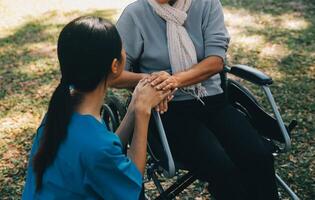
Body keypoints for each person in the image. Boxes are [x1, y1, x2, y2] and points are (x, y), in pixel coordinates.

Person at [113, 0, 280, 199]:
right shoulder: (135, 14)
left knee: (257, 155)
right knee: (220, 165)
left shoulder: (207, 4)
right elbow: (116, 75)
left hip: (212, 101)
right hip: (167, 110)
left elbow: (215, 61)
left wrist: (173, 80)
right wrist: (155, 83)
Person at [22, 16, 173, 200]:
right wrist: (142, 111)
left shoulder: (60, 114)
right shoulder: (96, 146)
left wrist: (134, 106)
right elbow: (131, 185)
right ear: (115, 66)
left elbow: (105, 154)